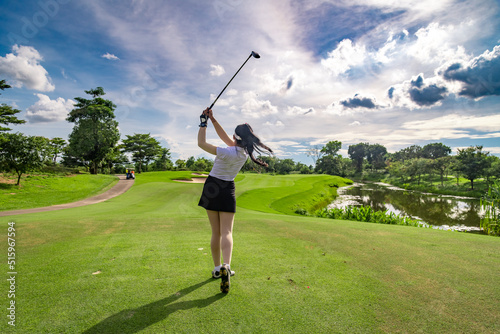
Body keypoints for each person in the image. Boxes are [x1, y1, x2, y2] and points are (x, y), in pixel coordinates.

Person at [197, 108, 273, 293]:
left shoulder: (224, 151)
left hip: (212, 188)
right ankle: (227, 266)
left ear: (235, 137)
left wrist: (203, 122)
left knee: (215, 232)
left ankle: (216, 269)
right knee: (227, 232)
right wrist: (213, 120)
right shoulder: (243, 153)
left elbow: (201, 143)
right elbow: (227, 138)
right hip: (228, 189)